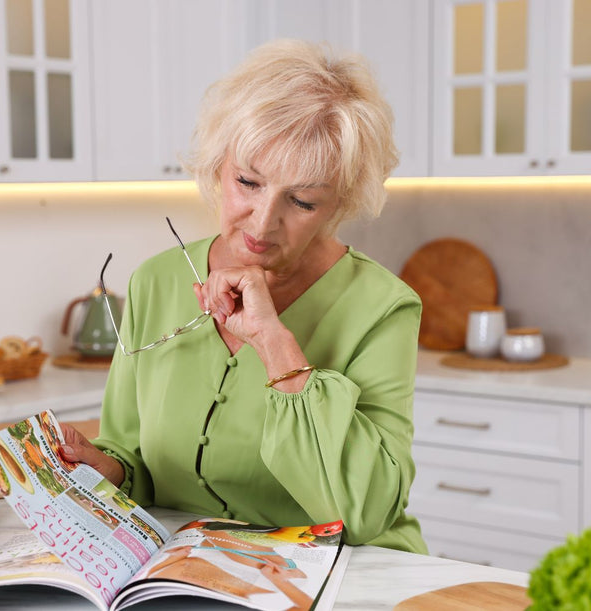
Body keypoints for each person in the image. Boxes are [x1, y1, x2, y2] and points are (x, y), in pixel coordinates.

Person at [59, 39, 425, 554]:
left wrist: (275, 343)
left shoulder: (383, 308)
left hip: (349, 576)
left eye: (301, 200)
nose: (262, 221)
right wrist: (111, 468)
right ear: (216, 166)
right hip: (193, 575)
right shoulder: (155, 282)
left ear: (339, 203)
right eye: (247, 181)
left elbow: (364, 514)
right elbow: (131, 451)